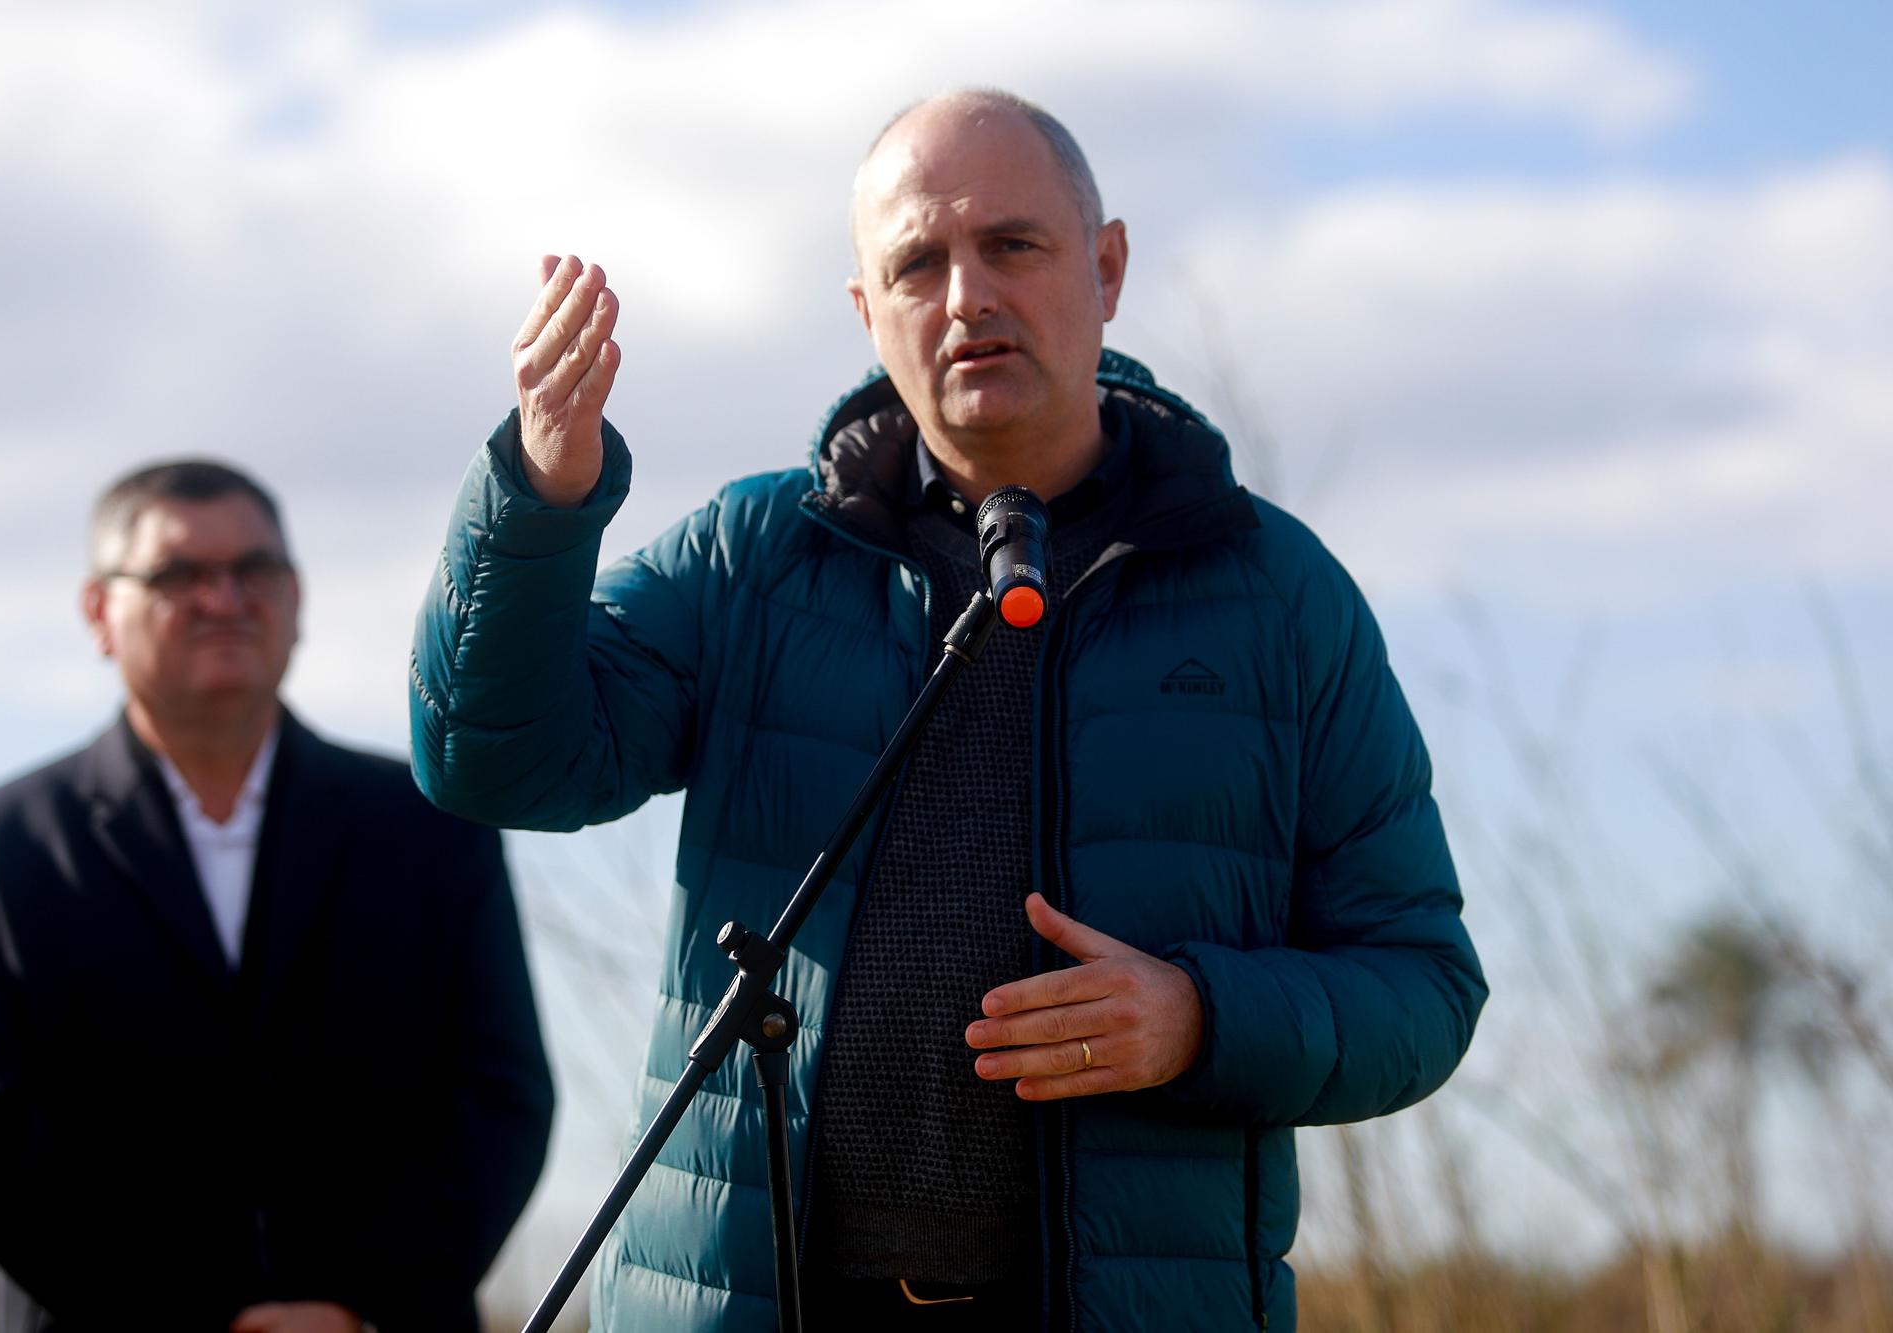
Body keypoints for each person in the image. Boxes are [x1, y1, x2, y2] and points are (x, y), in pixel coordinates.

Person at [409, 89, 1485, 1332]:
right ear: (869, 316)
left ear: (1107, 266)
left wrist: (1199, 1017)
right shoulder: (752, 557)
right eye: (917, 264)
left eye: (1011, 245)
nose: (966, 294)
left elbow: (1420, 985)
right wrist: (541, 497)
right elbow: (492, 762)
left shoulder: (1272, 592)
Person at [0, 460, 556, 1332]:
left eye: (253, 570)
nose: (224, 598)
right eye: (179, 574)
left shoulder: (432, 825)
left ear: (294, 598)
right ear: (100, 612)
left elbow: (499, 1092)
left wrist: (354, 1306)